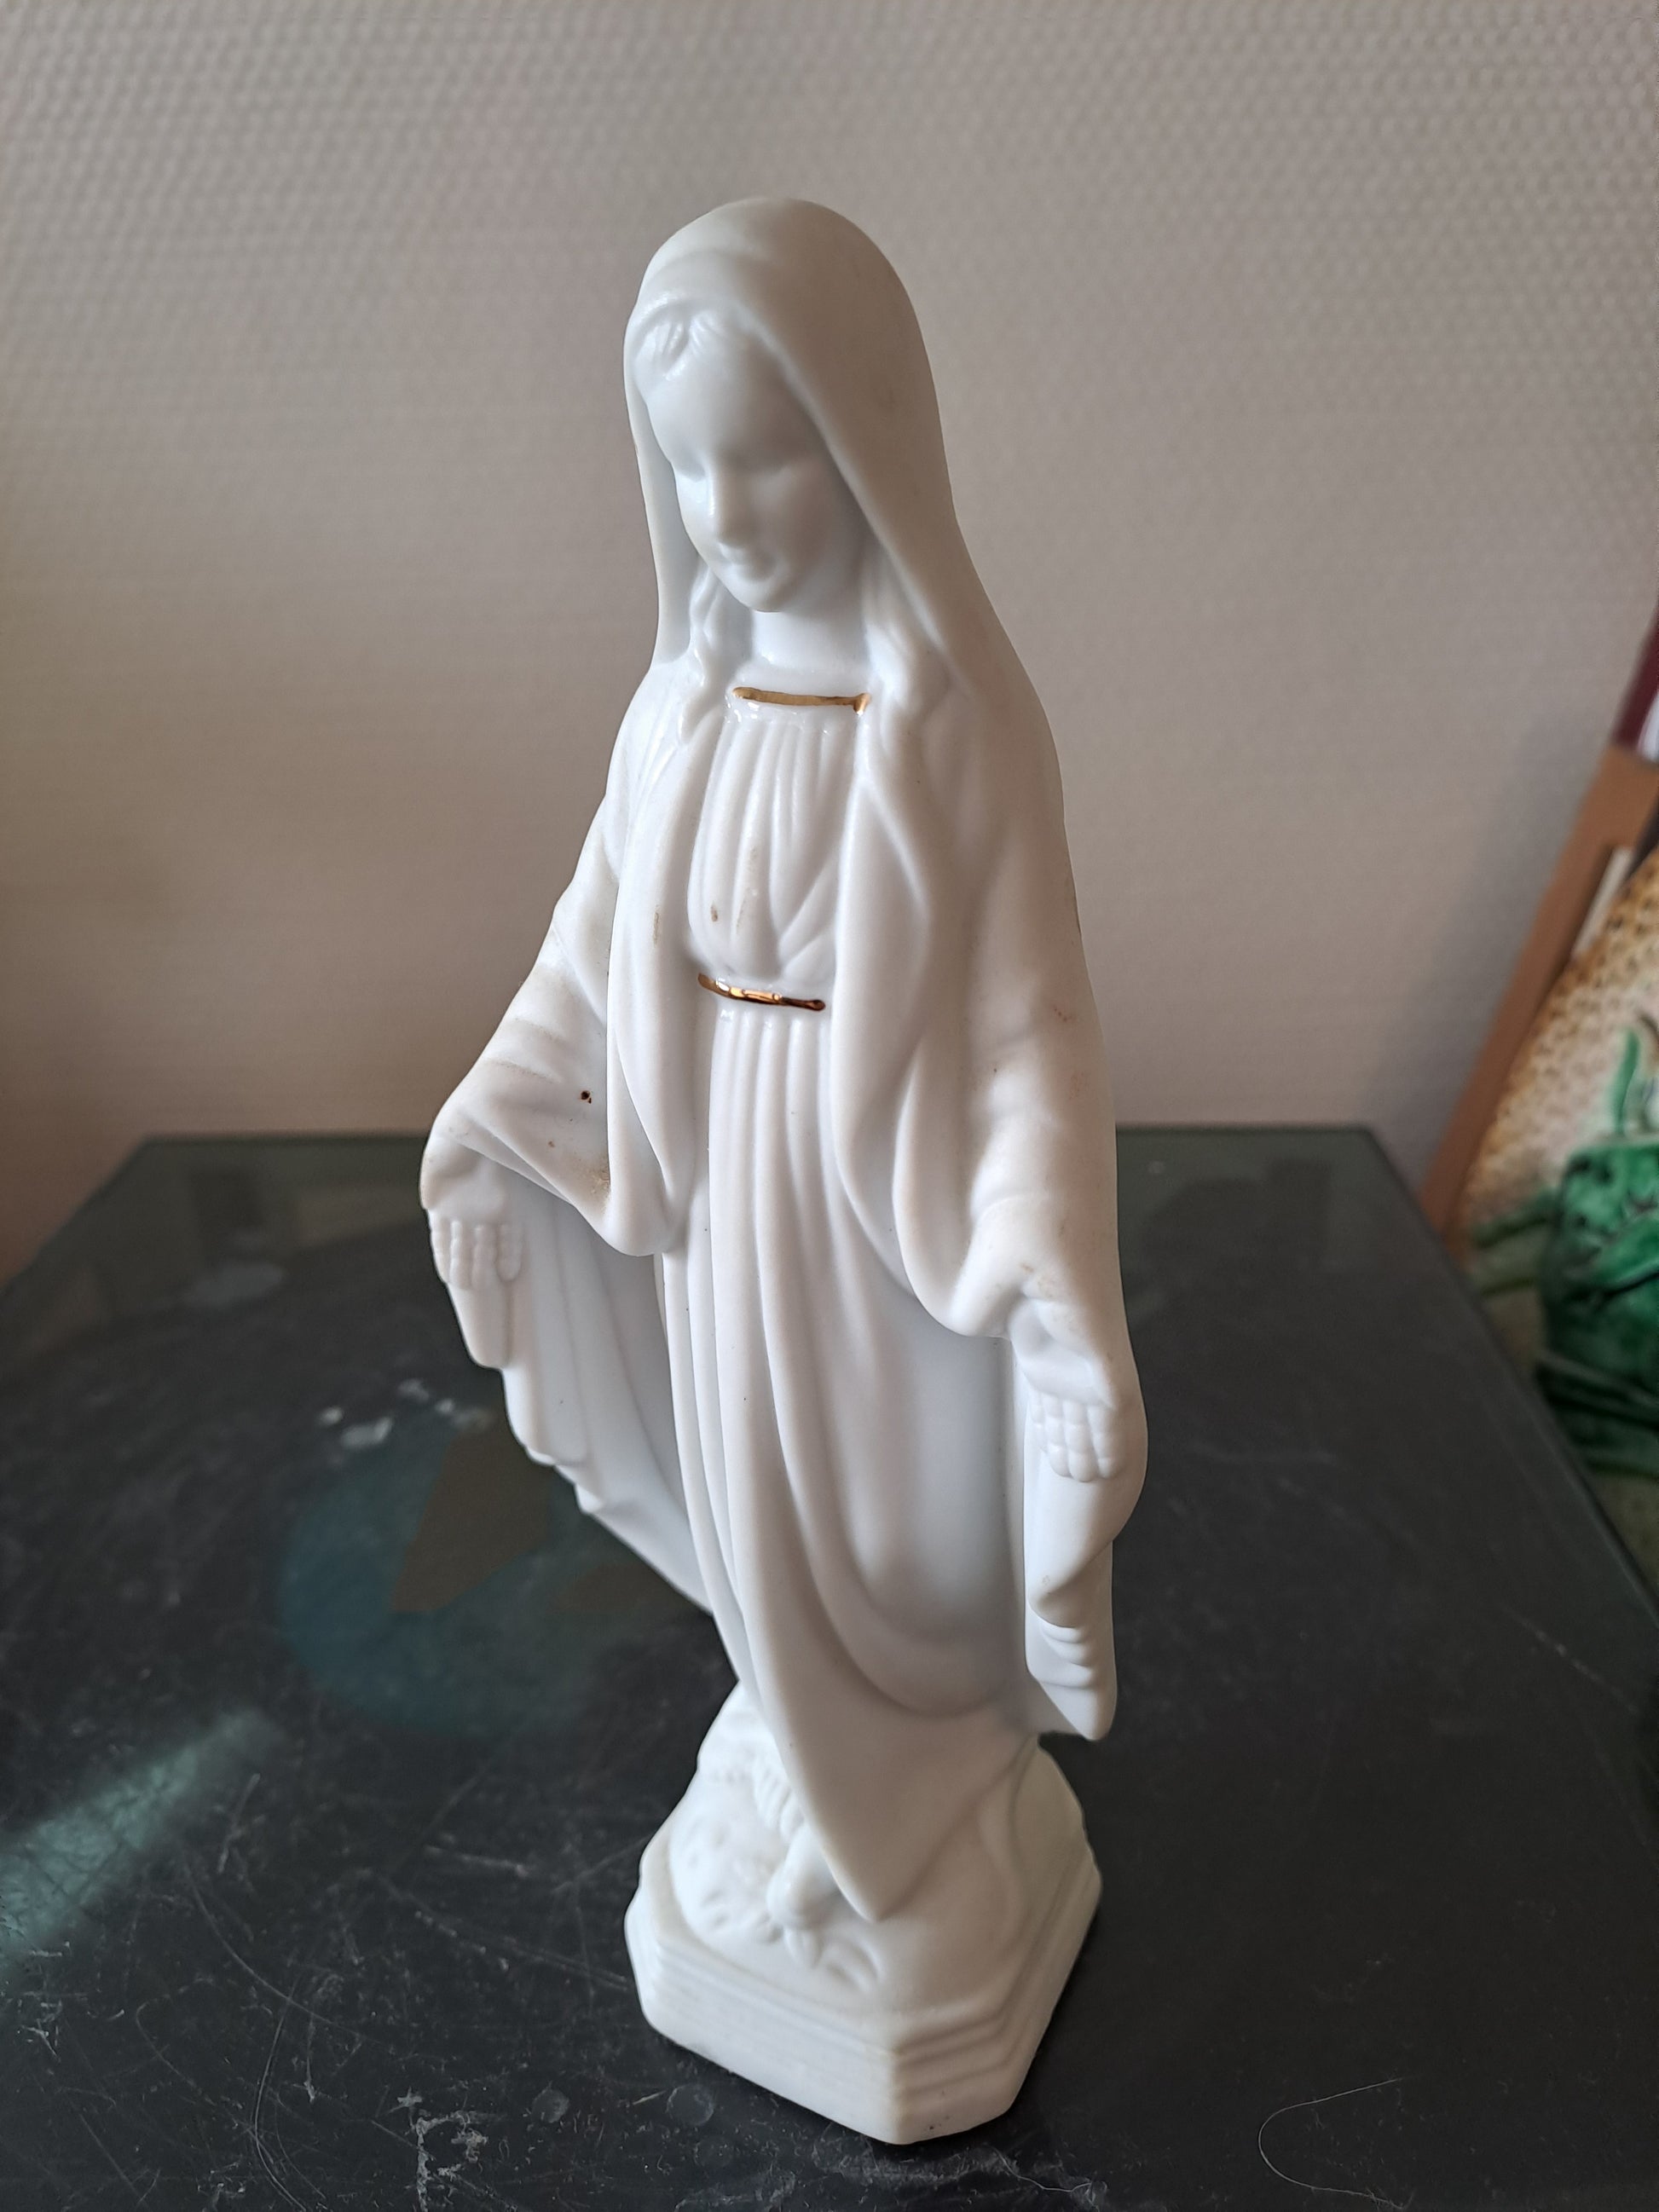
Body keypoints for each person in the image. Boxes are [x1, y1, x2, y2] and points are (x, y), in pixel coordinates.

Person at [420, 199, 1146, 1944]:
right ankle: (803, 1764)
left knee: (898, 1525)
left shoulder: (954, 724)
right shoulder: (679, 711)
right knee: (751, 1495)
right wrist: (495, 1129)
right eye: (687, 469)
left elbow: (1028, 1023)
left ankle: (923, 1785)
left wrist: (1049, 1281)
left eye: (767, 461)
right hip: (712, 1184)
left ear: (864, 442)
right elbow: (589, 955)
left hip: (883, 1200)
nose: (725, 514)